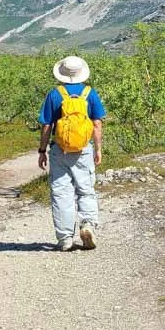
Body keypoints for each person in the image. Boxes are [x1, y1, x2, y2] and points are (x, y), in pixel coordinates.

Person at [37, 55, 107, 251]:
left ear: (63, 74)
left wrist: (42, 150)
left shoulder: (55, 94)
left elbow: (47, 125)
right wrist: (98, 149)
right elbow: (97, 124)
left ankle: (65, 238)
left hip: (60, 150)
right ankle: (88, 224)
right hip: (83, 149)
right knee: (85, 190)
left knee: (61, 193)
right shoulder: (89, 93)